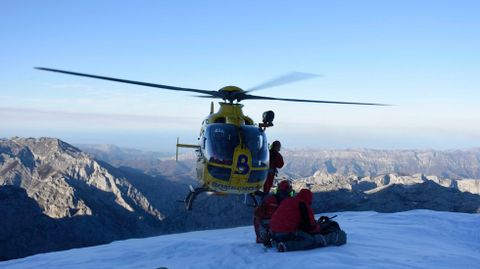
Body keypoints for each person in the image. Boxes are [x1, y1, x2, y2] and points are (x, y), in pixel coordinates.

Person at [269, 189, 347, 252]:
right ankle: (286, 246)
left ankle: (277, 242)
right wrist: (319, 228)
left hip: (274, 233)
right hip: (286, 233)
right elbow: (310, 227)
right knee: (310, 240)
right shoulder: (303, 204)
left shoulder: (288, 200)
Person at [253, 180, 293, 245]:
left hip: (274, 226)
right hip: (278, 226)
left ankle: (261, 237)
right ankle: (263, 237)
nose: (283, 195)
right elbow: (257, 213)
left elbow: (257, 213)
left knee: (257, 218)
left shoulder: (270, 199)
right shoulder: (291, 201)